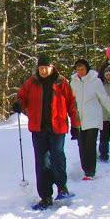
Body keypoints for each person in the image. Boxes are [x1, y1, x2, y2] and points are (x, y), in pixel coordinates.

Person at [14, 55, 80, 210]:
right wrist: (18, 104)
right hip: (38, 129)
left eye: (46, 67)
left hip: (58, 127)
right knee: (42, 162)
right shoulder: (31, 83)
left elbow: (72, 104)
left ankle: (62, 188)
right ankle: (45, 196)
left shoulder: (61, 82)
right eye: (40, 68)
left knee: (58, 156)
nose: (43, 70)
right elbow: (22, 96)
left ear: (52, 67)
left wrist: (75, 125)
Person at [70, 59, 110, 180]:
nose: (80, 72)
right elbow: (71, 100)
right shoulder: (74, 82)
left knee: (90, 145)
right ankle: (85, 168)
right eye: (78, 69)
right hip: (80, 119)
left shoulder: (95, 81)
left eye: (82, 69)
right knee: (81, 145)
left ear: (87, 69)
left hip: (93, 118)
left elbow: (104, 98)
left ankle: (90, 172)